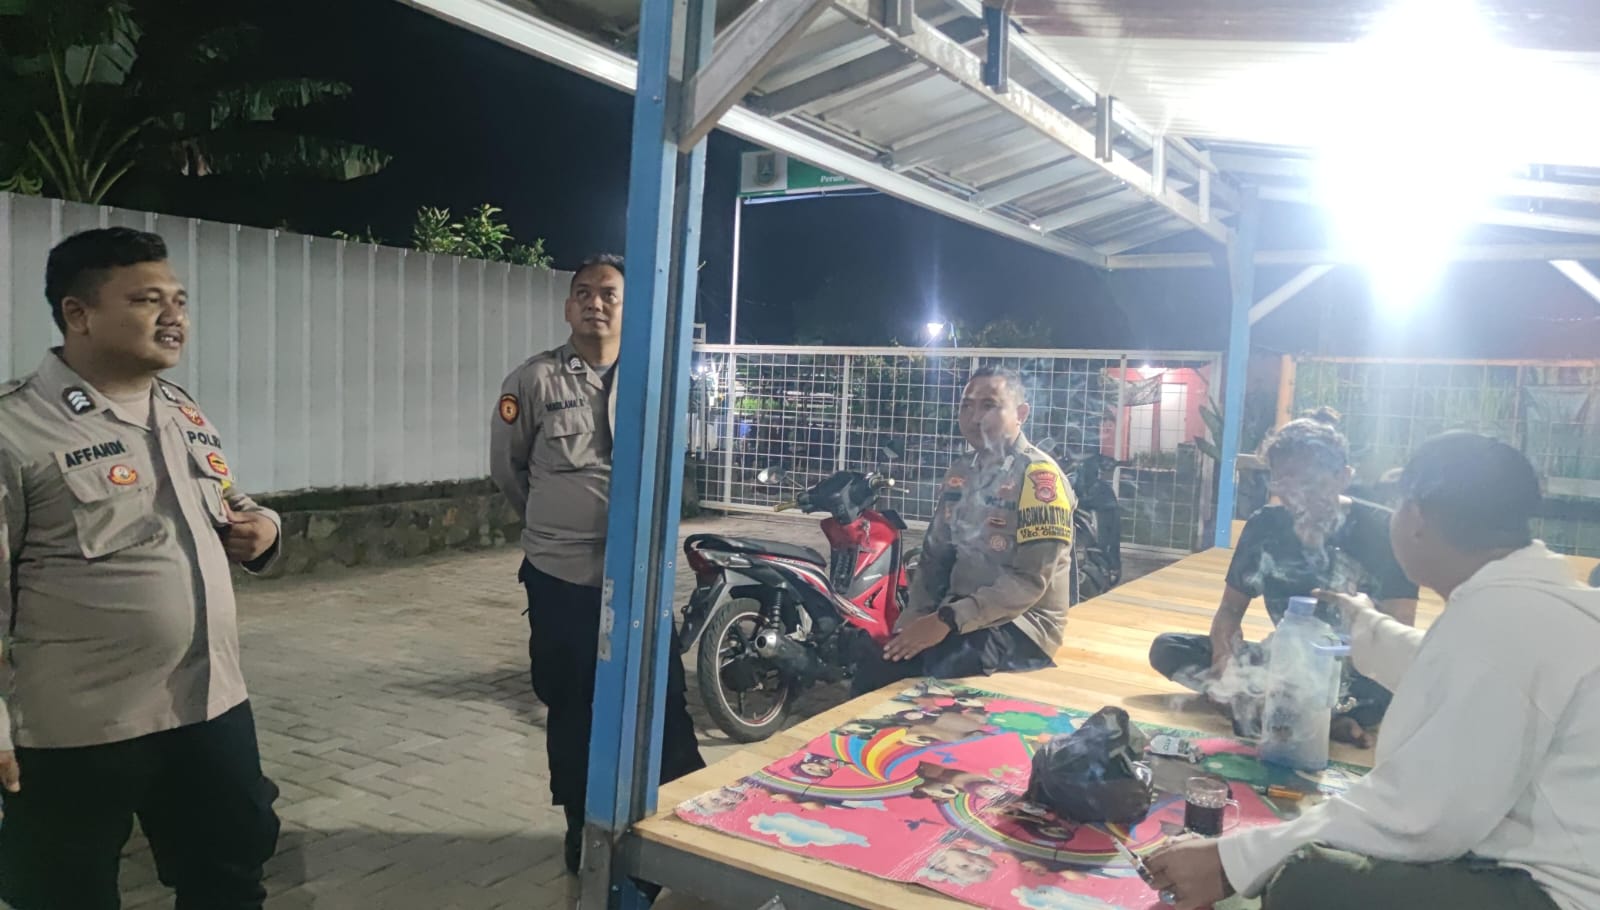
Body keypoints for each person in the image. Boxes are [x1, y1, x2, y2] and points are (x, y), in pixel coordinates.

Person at [1146, 431, 1600, 910]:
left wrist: (1231, 861)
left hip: (1556, 893)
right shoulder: (1533, 602)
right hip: (1525, 849)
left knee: (1307, 880)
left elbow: (1418, 814)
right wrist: (1366, 626)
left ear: (1416, 518)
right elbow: (1441, 664)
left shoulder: (1499, 623)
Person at [0, 228, 283, 910]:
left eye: (178, 300)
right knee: (65, 895)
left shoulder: (181, 409)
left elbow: (230, 498)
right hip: (78, 729)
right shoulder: (17, 429)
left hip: (210, 707)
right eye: (147, 299)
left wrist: (266, 528)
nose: (173, 315)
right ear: (78, 313)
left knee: (229, 879)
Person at [489, 253, 705, 874]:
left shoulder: (653, 379)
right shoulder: (533, 380)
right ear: (568, 307)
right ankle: (581, 826)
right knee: (572, 703)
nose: (595, 303)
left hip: (639, 576)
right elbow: (508, 470)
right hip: (562, 578)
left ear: (628, 307)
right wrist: (556, 525)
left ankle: (680, 824)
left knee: (662, 699)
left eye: (609, 293)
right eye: (583, 293)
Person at [1147, 409, 1418, 746]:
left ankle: (1286, 711)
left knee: (1392, 689)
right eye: (1283, 481)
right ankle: (1307, 716)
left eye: (1308, 482)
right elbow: (1230, 610)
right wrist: (1224, 662)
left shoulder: (1383, 531)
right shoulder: (1265, 526)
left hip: (1353, 673)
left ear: (1343, 477)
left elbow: (1398, 631)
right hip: (1282, 662)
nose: (1295, 494)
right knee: (1168, 648)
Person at [850, 366, 1072, 697]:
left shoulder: (1039, 478)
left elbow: (1029, 582)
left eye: (989, 405)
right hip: (956, 614)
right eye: (967, 406)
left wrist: (948, 619)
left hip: (1021, 625)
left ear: (1021, 414)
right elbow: (935, 557)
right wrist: (912, 620)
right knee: (875, 664)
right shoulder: (961, 472)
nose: (975, 417)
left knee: (923, 671)